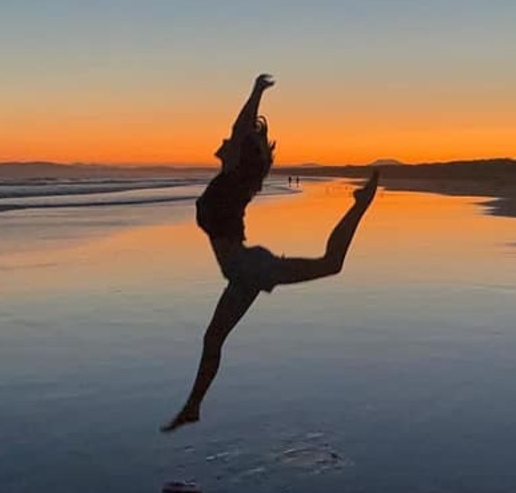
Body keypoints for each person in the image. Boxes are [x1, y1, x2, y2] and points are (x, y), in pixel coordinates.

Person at [161, 74, 379, 432]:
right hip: (243, 273)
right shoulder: (233, 179)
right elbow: (239, 132)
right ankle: (193, 407)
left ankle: (361, 205)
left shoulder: (234, 176)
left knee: (331, 264)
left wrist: (256, 91)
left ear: (239, 152)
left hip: (248, 268)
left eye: (230, 141)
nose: (223, 141)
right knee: (213, 338)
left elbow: (240, 126)